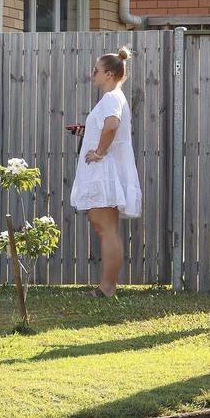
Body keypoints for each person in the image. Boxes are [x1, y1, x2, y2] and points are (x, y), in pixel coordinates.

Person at [68, 47, 141, 299]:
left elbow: (112, 126)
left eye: (96, 70)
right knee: (105, 229)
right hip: (106, 172)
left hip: (104, 172)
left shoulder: (111, 98)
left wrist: (98, 151)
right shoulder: (114, 97)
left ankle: (107, 288)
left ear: (109, 74)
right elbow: (105, 126)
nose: (93, 74)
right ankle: (107, 287)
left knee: (106, 230)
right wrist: (86, 132)